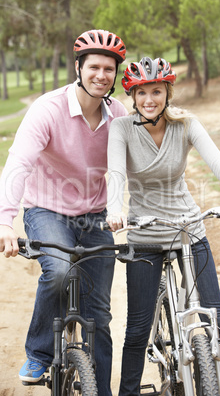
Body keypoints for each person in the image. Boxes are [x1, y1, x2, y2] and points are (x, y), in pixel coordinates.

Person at [106, 57, 220, 396]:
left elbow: (217, 161)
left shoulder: (186, 123)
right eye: (142, 92)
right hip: (145, 235)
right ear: (132, 95)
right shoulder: (121, 129)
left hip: (188, 229)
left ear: (167, 92)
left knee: (216, 319)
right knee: (137, 330)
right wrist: (114, 210)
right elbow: (116, 173)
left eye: (156, 91)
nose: (149, 99)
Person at [0, 29, 127, 395]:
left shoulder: (117, 114)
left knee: (99, 316)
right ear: (78, 67)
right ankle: (39, 352)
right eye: (94, 67)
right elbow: (19, 163)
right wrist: (6, 220)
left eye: (109, 68)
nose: (101, 75)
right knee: (56, 270)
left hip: (94, 215)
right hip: (48, 211)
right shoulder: (48, 109)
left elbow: (127, 166)